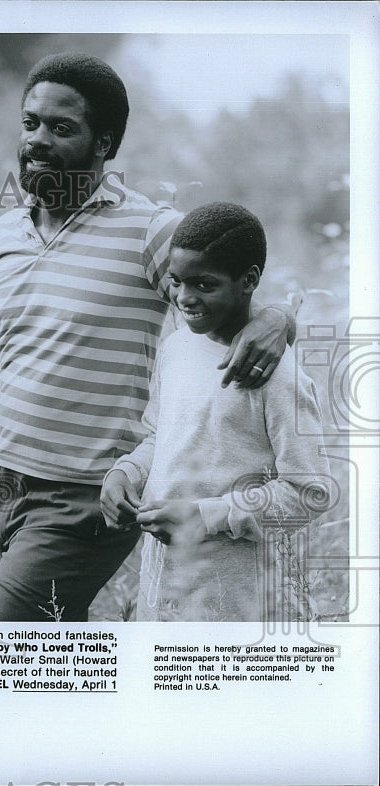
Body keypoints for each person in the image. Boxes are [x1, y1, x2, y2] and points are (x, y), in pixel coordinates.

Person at [0, 52, 297, 622]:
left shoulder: (148, 231)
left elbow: (236, 286)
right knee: (44, 663)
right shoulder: (2, 236)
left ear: (104, 143)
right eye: (30, 122)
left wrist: (279, 317)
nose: (38, 140)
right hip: (4, 489)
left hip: (84, 498)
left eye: (62, 128)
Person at [101, 203, 331, 620]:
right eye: (176, 281)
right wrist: (127, 472)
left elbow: (309, 494)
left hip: (245, 602)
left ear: (249, 281)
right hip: (167, 592)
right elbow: (161, 436)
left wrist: (206, 516)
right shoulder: (176, 348)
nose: (185, 298)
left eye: (204, 284)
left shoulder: (277, 376)